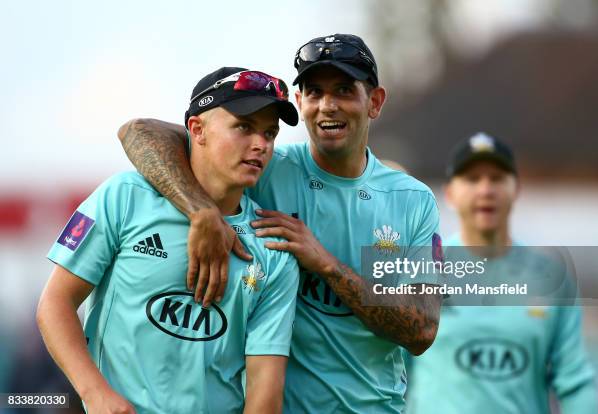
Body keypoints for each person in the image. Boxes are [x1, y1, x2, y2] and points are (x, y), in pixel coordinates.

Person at [116, 34, 443, 413]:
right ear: (300, 102)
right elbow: (139, 131)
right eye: (314, 92)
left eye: (343, 90)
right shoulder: (265, 166)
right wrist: (200, 211)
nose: (328, 106)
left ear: (375, 102)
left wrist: (326, 265)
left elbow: (421, 331)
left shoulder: (413, 201)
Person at [37, 67, 300, 414]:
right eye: (244, 127)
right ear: (197, 129)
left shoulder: (272, 248)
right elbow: (55, 304)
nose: (261, 145)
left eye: (269, 133)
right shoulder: (124, 197)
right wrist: (95, 394)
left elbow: (264, 392)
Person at [404, 132, 598, 413]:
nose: (486, 190)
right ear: (449, 193)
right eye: (472, 179)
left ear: (516, 189)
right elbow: (392, 373)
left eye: (497, 178)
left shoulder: (551, 278)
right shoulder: (421, 271)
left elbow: (575, 380)